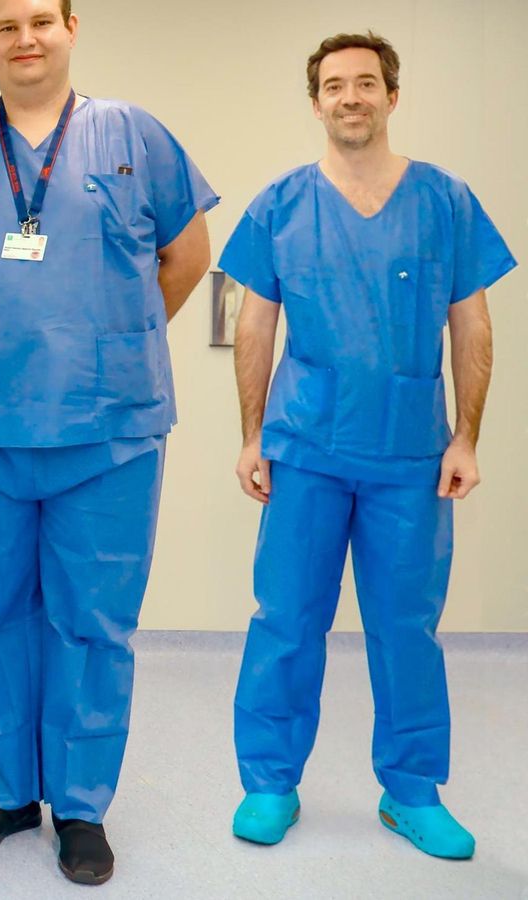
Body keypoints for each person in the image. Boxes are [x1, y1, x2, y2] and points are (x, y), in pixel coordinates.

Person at [0, 0, 216, 884]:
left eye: (42, 20)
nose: (25, 38)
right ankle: (2, 791)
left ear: (73, 28)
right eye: (8, 26)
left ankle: (79, 805)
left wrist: (115, 342)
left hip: (107, 429)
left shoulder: (133, 136)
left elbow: (188, 255)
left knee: (92, 621)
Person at [220, 32, 514, 860]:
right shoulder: (280, 204)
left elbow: (472, 324)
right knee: (286, 620)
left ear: (392, 95)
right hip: (305, 448)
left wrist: (468, 436)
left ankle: (412, 791)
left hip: (410, 456)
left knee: (406, 628)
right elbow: (255, 325)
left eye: (366, 82)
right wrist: (251, 436)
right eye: (334, 85)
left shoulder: (446, 201)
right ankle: (270, 782)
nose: (350, 96)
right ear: (316, 103)